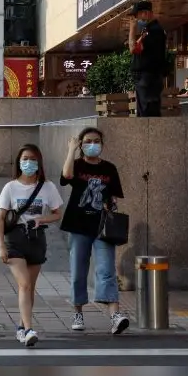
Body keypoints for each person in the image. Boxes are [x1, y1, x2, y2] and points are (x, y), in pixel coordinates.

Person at [60, 128, 130, 335]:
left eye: (97, 141)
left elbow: (114, 196)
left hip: (102, 227)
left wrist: (112, 205)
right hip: (78, 225)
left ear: (102, 144)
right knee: (78, 271)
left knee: (107, 270)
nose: (93, 144)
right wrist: (71, 150)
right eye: (88, 141)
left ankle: (115, 315)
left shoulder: (109, 168)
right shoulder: (78, 165)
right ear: (81, 144)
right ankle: (78, 313)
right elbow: (66, 175)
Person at [0, 144, 64, 346]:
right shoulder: (10, 187)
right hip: (15, 239)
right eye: (24, 158)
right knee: (23, 284)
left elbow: (58, 213)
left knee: (30, 288)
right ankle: (29, 328)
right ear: (18, 162)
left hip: (36, 239)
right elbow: (0, 218)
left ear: (39, 162)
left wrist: (42, 219)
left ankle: (21, 328)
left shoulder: (48, 187)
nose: (28, 162)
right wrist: (1, 246)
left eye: (33, 159)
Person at [128, 0, 168, 117]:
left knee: (148, 113)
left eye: (136, 16)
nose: (135, 19)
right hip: (146, 79)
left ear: (145, 13)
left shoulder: (154, 31)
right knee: (145, 112)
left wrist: (132, 30)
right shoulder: (149, 31)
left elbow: (133, 49)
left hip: (148, 79)